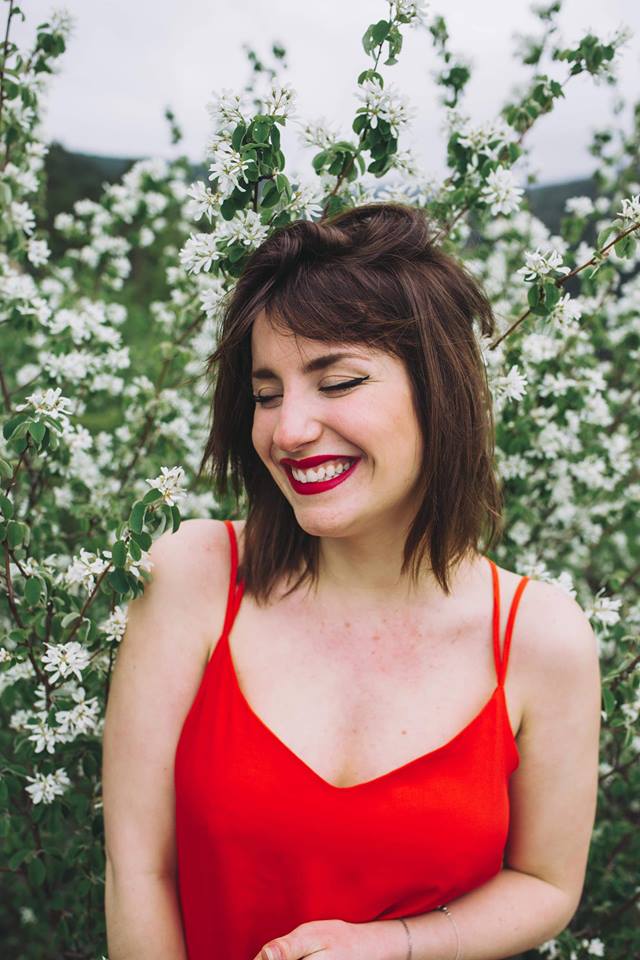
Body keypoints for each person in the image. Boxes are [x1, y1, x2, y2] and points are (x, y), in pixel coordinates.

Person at [102, 202, 602, 960]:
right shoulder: (193, 577)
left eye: (336, 382)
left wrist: (397, 945)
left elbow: (545, 883)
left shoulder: (541, 639)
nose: (288, 430)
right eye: (266, 394)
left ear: (439, 390)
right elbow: (138, 869)